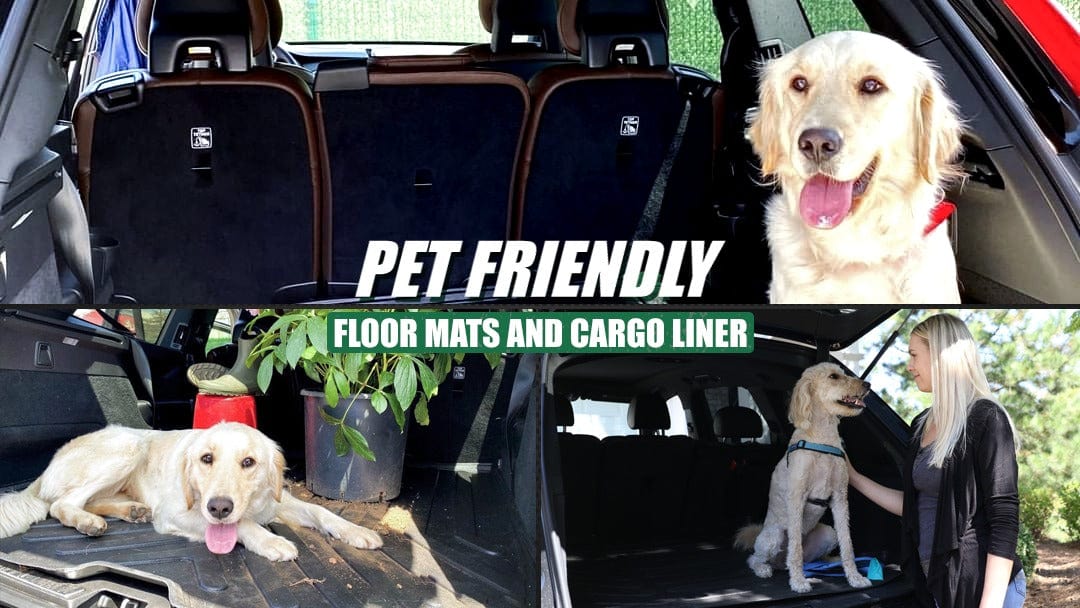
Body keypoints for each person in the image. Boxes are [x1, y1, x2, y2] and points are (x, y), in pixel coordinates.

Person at [847, 313, 1026, 607]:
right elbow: (915, 507)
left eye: (914, 355)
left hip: (983, 589)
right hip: (940, 585)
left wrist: (990, 604)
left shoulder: (986, 419)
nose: (909, 366)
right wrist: (852, 476)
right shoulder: (921, 424)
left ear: (941, 357)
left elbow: (1004, 518)